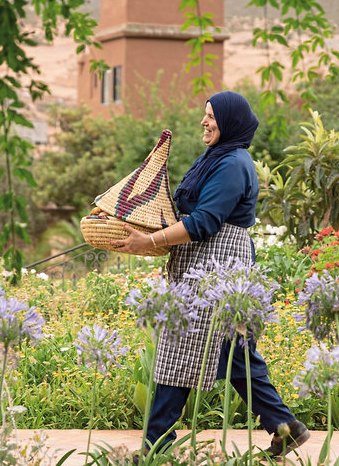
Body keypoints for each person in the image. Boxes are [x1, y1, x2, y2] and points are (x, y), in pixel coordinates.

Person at [111, 91, 309, 459]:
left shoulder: (233, 164)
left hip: (218, 268)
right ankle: (285, 427)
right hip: (205, 263)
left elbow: (204, 221)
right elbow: (186, 210)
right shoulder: (216, 158)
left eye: (212, 117)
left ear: (230, 122)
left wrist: (149, 241)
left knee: (187, 348)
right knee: (230, 354)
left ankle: (156, 447)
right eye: (205, 115)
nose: (204, 122)